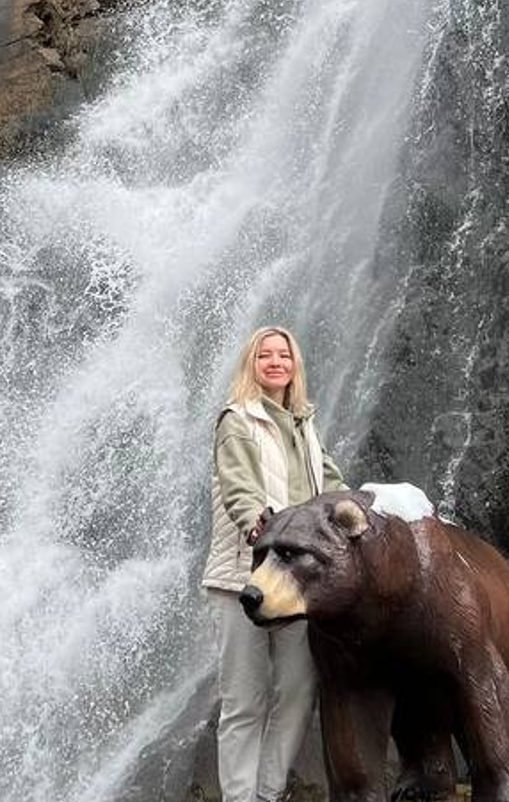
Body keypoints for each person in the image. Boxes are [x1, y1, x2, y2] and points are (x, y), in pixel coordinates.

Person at [201, 325, 347, 802]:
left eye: (284, 355)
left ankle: (268, 793)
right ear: (252, 363)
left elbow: (334, 486)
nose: (276, 361)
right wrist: (256, 526)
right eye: (265, 354)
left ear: (294, 365)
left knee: (298, 692)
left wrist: (369, 513)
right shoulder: (236, 419)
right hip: (243, 575)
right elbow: (238, 486)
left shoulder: (305, 423)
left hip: (298, 583)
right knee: (244, 700)